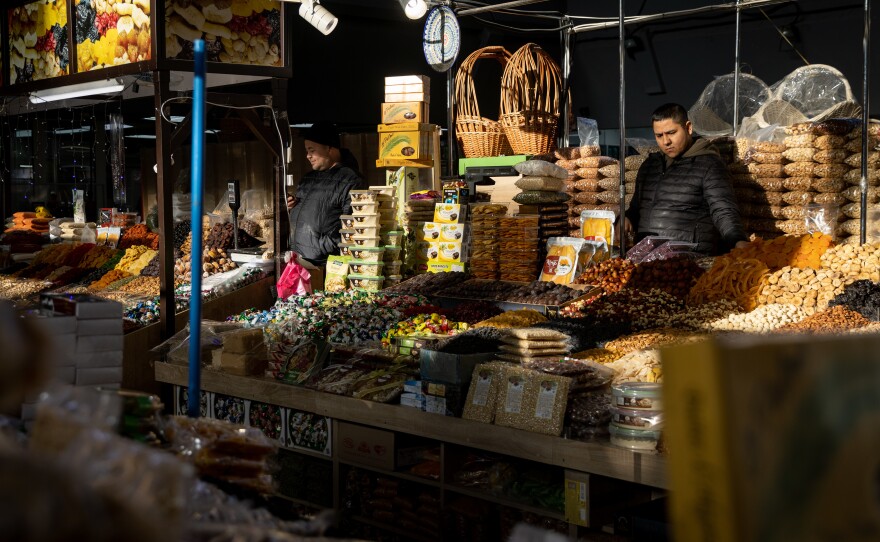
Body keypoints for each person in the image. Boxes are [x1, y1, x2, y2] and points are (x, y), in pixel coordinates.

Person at [625, 103, 749, 255]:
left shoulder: (709, 164)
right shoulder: (650, 165)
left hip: (689, 260)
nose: (666, 141)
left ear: (688, 128)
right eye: (659, 136)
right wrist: (625, 218)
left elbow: (723, 210)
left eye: (671, 133)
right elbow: (636, 207)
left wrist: (737, 240)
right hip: (646, 259)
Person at [287, 123, 363, 267]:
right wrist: (290, 207)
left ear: (329, 148)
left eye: (312, 150)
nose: (308, 156)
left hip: (325, 266)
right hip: (298, 261)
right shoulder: (307, 179)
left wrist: (321, 250)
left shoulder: (350, 180)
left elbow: (352, 226)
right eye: (306, 150)